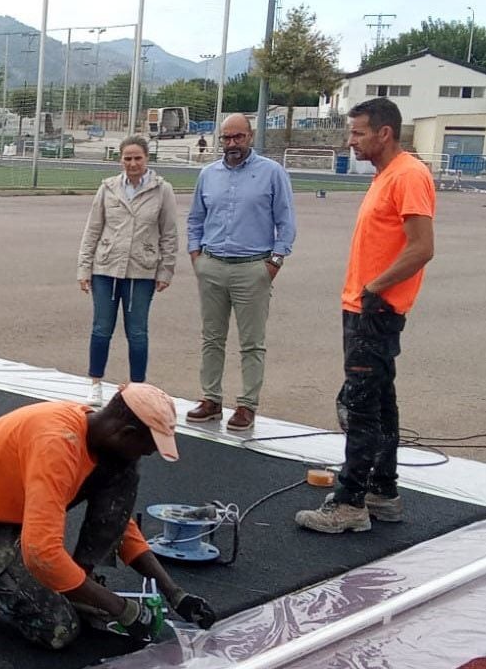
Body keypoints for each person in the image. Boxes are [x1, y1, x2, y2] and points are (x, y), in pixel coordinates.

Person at [0, 384, 217, 649]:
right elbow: (42, 554)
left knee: (125, 475)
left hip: (14, 511)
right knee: (59, 628)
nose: (148, 455)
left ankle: (72, 580)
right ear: (126, 433)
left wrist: (175, 594)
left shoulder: (102, 444)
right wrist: (121, 609)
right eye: (146, 448)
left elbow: (117, 523)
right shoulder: (57, 445)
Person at [296, 98, 435, 534]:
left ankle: (350, 502)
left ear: (384, 133)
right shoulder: (386, 176)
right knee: (379, 402)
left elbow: (422, 247)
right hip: (364, 304)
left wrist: (374, 289)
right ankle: (383, 491)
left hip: (376, 309)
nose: (349, 140)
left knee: (357, 405)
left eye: (357, 133)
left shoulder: (409, 175)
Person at [185, 113, 297, 431]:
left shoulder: (272, 173)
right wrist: (197, 256)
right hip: (212, 265)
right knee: (212, 338)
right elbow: (195, 218)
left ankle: (247, 405)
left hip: (252, 267)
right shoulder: (208, 175)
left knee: (251, 343)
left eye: (238, 137)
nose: (232, 144)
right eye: (226, 138)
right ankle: (211, 399)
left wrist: (274, 262)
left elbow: (286, 221)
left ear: (250, 137)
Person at [77, 135, 179, 406]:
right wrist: (84, 268)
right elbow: (93, 230)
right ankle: (95, 383)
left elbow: (169, 234)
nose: (132, 163)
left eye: (138, 158)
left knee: (137, 332)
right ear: (120, 159)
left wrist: (165, 270)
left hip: (141, 272)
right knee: (101, 328)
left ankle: (137, 390)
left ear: (147, 159)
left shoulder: (162, 190)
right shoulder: (108, 188)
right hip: (106, 268)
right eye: (127, 158)